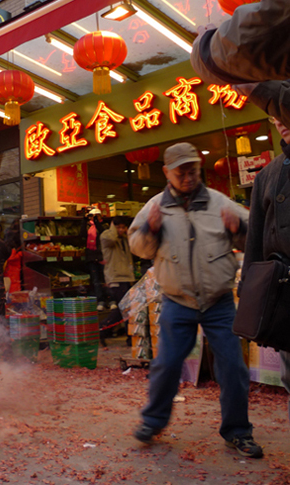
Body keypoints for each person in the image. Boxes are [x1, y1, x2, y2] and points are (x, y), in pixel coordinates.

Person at [128, 142, 263, 458]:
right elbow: (138, 247)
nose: (188, 177)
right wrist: (151, 228)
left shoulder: (220, 203)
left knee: (233, 367)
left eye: (193, 170)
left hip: (219, 301)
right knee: (167, 364)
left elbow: (251, 238)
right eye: (181, 172)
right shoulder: (154, 208)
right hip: (177, 301)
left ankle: (238, 432)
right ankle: (152, 422)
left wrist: (239, 228)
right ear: (167, 173)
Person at [240, 115, 290, 419]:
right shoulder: (268, 175)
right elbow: (255, 243)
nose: (281, 121)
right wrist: (249, 295)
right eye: (275, 115)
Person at [99, 216, 134, 343]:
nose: (121, 230)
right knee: (126, 308)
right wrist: (113, 226)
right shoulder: (106, 236)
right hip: (115, 277)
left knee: (124, 308)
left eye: (123, 227)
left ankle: (104, 329)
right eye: (118, 227)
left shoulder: (124, 239)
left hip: (127, 277)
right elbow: (111, 238)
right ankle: (103, 328)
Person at [80, 207, 106, 311]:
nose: (95, 218)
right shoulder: (88, 227)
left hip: (102, 256)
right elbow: (82, 235)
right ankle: (100, 300)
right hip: (91, 257)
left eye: (97, 216)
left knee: (105, 279)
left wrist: (96, 222)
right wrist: (84, 221)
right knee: (95, 280)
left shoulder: (105, 225)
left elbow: (103, 233)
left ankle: (110, 299)